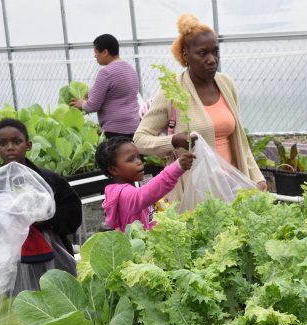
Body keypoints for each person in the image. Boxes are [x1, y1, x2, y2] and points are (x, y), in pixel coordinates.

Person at [133, 13, 267, 210]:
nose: (212, 60)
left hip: (233, 188)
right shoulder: (172, 91)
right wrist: (172, 141)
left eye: (216, 52)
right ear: (185, 55)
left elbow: (240, 142)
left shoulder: (226, 84)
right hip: (195, 195)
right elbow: (140, 139)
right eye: (203, 53)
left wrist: (256, 177)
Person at [0, 118, 82, 285]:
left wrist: (47, 219)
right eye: (3, 143)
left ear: (28, 145)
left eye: (16, 142)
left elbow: (73, 211)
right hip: (12, 254)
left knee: (57, 292)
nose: (10, 147)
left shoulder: (48, 179)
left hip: (52, 250)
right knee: (20, 298)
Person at [97, 136, 196, 231]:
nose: (139, 162)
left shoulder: (135, 188)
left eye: (138, 157)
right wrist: (177, 168)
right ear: (114, 170)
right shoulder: (122, 194)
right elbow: (142, 196)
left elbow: (155, 204)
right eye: (131, 159)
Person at [70, 34, 140, 139]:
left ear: (105, 52)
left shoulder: (106, 72)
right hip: (134, 127)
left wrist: (82, 103)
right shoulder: (130, 69)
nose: (95, 56)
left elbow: (93, 105)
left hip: (115, 130)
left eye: (96, 52)